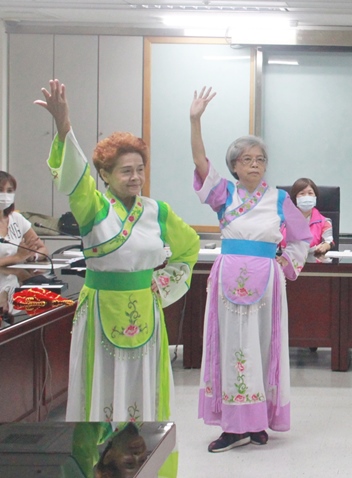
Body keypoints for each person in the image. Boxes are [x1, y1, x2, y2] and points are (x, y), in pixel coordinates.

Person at [35, 79, 199, 477]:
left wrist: (161, 286)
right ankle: (95, 466)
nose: (135, 177)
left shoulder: (157, 212)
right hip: (99, 314)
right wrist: (63, 124)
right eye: (126, 170)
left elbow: (189, 248)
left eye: (140, 169)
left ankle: (147, 467)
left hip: (145, 312)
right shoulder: (92, 208)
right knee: (100, 391)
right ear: (104, 175)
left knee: (146, 392)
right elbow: (74, 179)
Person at [190, 87, 312, 453]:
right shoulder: (224, 194)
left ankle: (257, 422)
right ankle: (233, 425)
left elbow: (301, 238)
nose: (255, 165)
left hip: (266, 283)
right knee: (231, 347)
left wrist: (284, 266)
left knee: (263, 347)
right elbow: (200, 162)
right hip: (228, 278)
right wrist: (195, 120)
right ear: (234, 167)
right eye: (247, 159)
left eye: (260, 159)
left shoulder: (280, 199)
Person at [0, 171, 50, 267]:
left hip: (17, 275)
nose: (5, 195)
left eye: (9, 191)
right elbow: (19, 257)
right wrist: (17, 257)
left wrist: (32, 256)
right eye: (0, 190)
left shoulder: (16, 218)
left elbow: (43, 249)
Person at [288, 177, 334, 263]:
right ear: (295, 198)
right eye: (302, 193)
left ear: (315, 197)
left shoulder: (325, 222)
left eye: (310, 193)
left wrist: (324, 246)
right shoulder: (284, 221)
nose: (307, 197)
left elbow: (329, 242)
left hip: (314, 266)